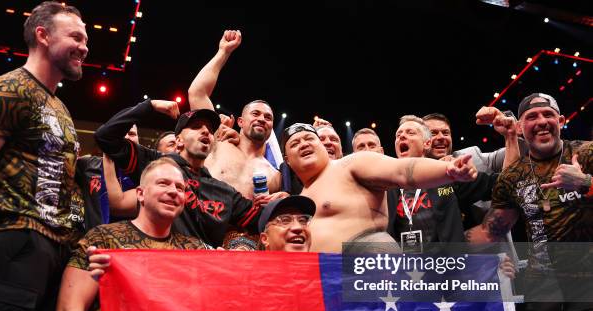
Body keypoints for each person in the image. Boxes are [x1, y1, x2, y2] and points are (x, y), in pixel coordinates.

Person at [0, 1, 88, 311]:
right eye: (75, 36)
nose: (84, 46)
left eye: (86, 39)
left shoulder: (59, 106)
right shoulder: (9, 88)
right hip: (9, 246)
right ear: (42, 35)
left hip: (51, 254)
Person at [56, 158, 207, 311]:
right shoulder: (104, 238)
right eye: (163, 183)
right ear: (140, 194)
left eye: (180, 188)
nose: (173, 191)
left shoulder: (193, 250)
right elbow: (68, 310)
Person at [480, 93, 593, 311]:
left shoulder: (586, 153)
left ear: (561, 120)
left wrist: (586, 181)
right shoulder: (512, 177)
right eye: (532, 116)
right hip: (545, 292)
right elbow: (492, 230)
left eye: (548, 114)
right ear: (520, 126)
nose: (541, 121)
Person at [94, 99, 274, 248]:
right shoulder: (156, 163)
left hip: (202, 275)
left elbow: (265, 222)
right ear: (178, 140)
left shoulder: (225, 192)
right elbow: (105, 136)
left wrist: (282, 199)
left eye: (211, 131)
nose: (205, 131)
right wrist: (149, 106)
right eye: (196, 127)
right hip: (157, 265)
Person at [281, 123, 478, 253]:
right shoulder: (301, 199)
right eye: (295, 143)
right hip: (327, 285)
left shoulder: (352, 163)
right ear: (287, 160)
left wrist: (447, 170)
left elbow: (402, 171)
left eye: (310, 139)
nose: (304, 144)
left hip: (368, 269)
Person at [187, 30, 280, 198]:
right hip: (199, 222)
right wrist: (223, 52)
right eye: (255, 114)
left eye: (268, 117)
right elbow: (197, 93)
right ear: (240, 121)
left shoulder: (274, 175)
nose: (261, 119)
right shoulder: (217, 141)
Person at [388, 115, 500, 245]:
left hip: (448, 262)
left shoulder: (448, 174)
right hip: (406, 263)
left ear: (427, 143)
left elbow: (500, 183)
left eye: (410, 133)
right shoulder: (386, 184)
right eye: (398, 135)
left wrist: (511, 137)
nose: (402, 136)